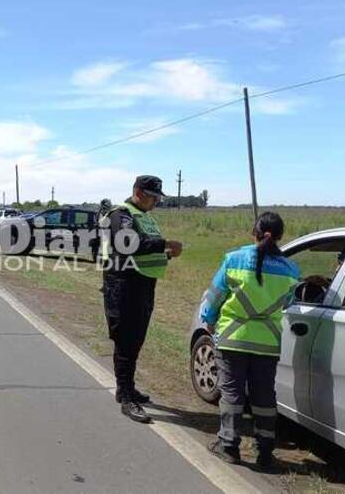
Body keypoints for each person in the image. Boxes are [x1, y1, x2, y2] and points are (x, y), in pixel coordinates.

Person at [202, 212, 299, 470]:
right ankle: (265, 452)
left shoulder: (233, 259)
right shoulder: (291, 269)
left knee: (232, 394)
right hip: (267, 343)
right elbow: (289, 302)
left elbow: (214, 296)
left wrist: (208, 319)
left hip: (232, 340)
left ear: (254, 232)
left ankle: (228, 446)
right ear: (280, 237)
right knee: (264, 396)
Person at [100, 175, 183, 423]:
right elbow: (127, 242)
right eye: (152, 196)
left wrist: (165, 254)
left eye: (158, 197)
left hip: (143, 285)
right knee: (126, 341)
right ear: (137, 192)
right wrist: (165, 243)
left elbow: (145, 251)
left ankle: (127, 388)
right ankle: (126, 397)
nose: (156, 202)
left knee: (136, 340)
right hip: (123, 286)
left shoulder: (144, 216)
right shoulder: (122, 214)